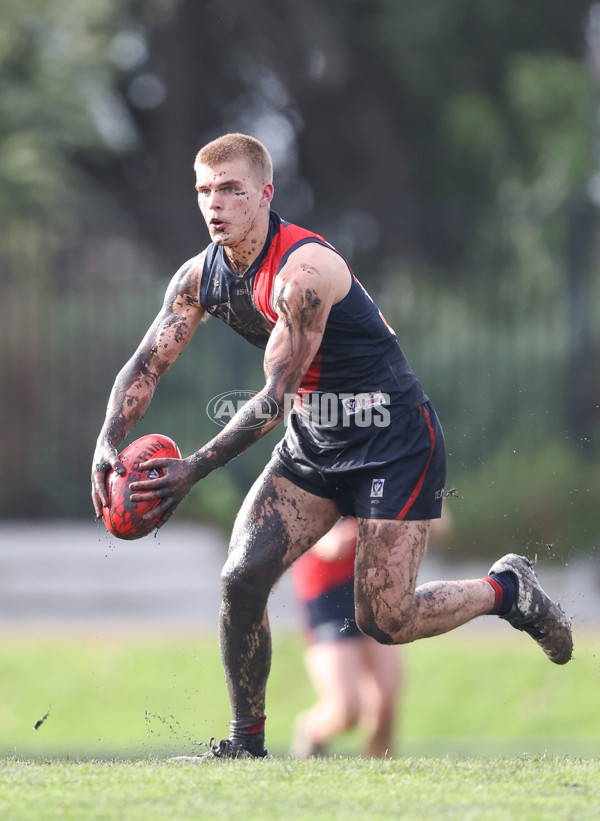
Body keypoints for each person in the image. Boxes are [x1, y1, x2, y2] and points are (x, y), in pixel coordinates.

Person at [91, 133, 573, 760]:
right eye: (206, 191)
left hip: (391, 441)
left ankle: (508, 590)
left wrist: (194, 469)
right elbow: (146, 364)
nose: (217, 205)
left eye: (233, 190)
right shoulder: (199, 277)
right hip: (315, 444)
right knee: (241, 576)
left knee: (384, 619)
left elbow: (273, 397)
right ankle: (246, 746)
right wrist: (108, 440)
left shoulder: (305, 275)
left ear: (265, 194)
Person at [290, 516, 402, 758]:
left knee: (385, 702)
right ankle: (311, 731)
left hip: (371, 593)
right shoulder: (322, 490)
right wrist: (382, 519)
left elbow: (441, 525)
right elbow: (333, 547)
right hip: (327, 601)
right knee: (348, 710)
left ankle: (380, 778)